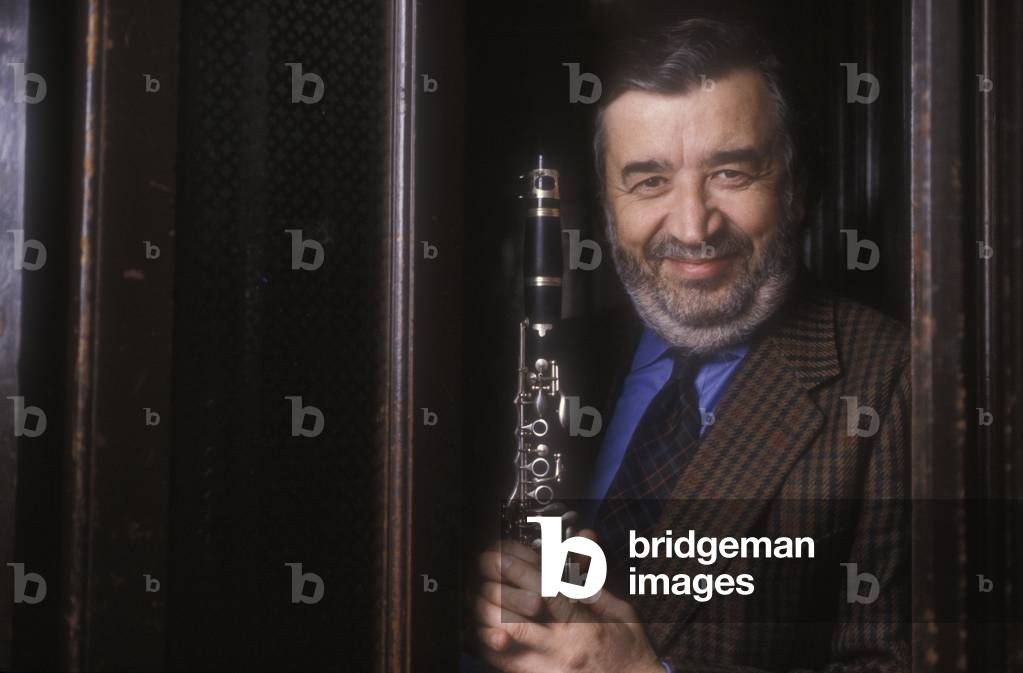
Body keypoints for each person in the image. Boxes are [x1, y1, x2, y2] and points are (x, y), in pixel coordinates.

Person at [472, 18, 909, 673]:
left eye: (731, 173)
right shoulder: (557, 357)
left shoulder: (896, 379)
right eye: (648, 180)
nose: (691, 225)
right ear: (605, 206)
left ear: (793, 188)